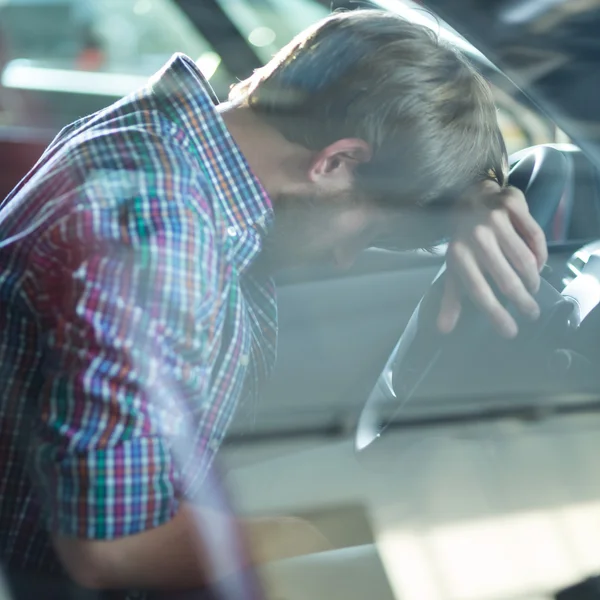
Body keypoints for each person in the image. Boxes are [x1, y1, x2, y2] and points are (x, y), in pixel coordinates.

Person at [0, 7, 547, 596]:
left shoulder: (171, 136)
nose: (345, 259)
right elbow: (115, 549)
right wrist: (362, 539)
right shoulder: (158, 231)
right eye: (366, 235)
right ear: (336, 161)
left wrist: (477, 191)